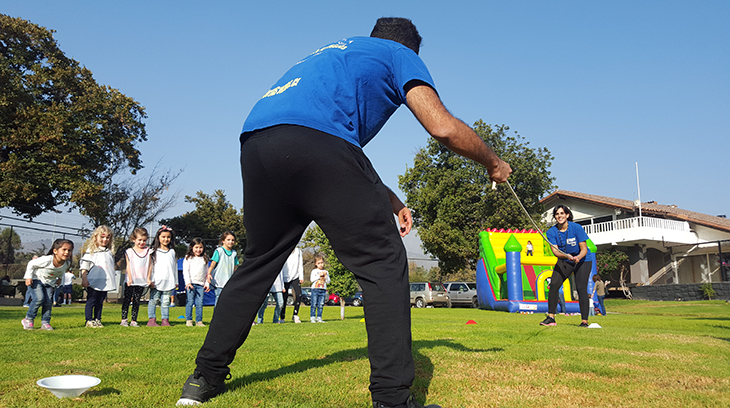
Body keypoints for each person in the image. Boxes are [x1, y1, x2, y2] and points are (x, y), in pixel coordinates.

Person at [176, 18, 511, 408]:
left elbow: (339, 152)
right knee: (382, 261)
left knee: (258, 262)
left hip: (258, 142)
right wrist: (493, 162)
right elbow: (442, 127)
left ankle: (202, 380)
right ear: (411, 48)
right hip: (317, 143)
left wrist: (393, 201)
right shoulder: (399, 53)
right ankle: (392, 399)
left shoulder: (336, 54)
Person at [540, 205, 592, 327]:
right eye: (557, 214)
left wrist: (578, 257)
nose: (559, 216)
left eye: (562, 213)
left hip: (583, 260)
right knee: (554, 284)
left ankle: (584, 321)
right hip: (565, 259)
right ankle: (551, 317)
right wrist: (567, 256)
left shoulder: (576, 228)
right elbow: (555, 251)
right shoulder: (551, 232)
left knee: (581, 288)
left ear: (567, 215)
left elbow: (584, 249)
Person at [21, 239, 74, 331]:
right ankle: (28, 319)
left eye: (69, 250)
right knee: (39, 299)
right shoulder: (48, 259)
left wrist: (59, 279)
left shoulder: (67, 263)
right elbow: (31, 263)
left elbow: (61, 271)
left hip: (49, 283)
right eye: (64, 249)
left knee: (48, 302)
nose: (67, 252)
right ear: (55, 251)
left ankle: (45, 323)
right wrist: (28, 277)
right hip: (36, 279)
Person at [80, 225, 117, 328]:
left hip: (104, 282)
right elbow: (85, 266)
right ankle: (89, 320)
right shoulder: (92, 251)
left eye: (107, 237)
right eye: (102, 237)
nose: (105, 240)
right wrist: (84, 278)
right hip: (94, 281)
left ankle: (97, 319)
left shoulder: (109, 252)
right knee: (91, 301)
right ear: (95, 237)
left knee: (100, 302)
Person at [147, 226, 179, 327]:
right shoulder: (153, 251)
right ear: (158, 237)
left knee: (165, 302)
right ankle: (151, 320)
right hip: (156, 281)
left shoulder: (172, 252)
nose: (166, 239)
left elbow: (174, 267)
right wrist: (150, 280)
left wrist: (176, 281)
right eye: (163, 237)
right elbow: (150, 266)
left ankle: (165, 320)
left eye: (168, 237)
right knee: (154, 300)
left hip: (169, 281)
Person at [121, 228, 150, 327]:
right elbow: (128, 265)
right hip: (131, 280)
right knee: (127, 299)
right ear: (134, 239)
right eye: (139, 240)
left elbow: (150, 265)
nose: (142, 242)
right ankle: (124, 319)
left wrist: (148, 278)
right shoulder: (129, 251)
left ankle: (134, 320)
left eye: (144, 240)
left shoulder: (148, 251)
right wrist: (129, 278)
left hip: (141, 280)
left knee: (137, 300)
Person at [206, 231, 238, 306]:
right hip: (219, 281)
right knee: (219, 300)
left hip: (229, 282)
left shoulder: (234, 253)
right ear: (223, 241)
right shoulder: (219, 251)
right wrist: (208, 274)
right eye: (228, 240)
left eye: (232, 240)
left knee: (228, 302)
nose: (231, 242)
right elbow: (213, 264)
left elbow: (234, 267)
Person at [184, 238, 209, 327]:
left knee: (199, 303)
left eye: (200, 247)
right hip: (191, 284)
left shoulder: (204, 259)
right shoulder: (188, 258)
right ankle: (189, 320)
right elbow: (186, 271)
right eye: (196, 247)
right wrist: (188, 283)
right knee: (190, 302)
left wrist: (207, 284)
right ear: (192, 247)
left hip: (201, 285)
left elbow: (207, 273)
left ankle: (199, 321)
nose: (198, 250)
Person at [280, 247, 304, 323]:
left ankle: (295, 315)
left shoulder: (298, 251)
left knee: (298, 294)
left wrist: (301, 276)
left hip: (295, 276)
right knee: (284, 297)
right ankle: (282, 317)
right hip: (285, 277)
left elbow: (300, 264)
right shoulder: (283, 250)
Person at [309, 255, 330, 323]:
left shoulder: (325, 271)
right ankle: (312, 317)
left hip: (323, 289)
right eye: (319, 263)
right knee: (314, 304)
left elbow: (328, 282)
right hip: (315, 289)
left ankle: (319, 317)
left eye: (322, 263)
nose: (321, 264)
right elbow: (312, 280)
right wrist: (319, 275)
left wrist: (326, 276)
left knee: (321, 304)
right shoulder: (314, 271)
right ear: (316, 264)